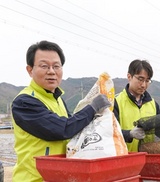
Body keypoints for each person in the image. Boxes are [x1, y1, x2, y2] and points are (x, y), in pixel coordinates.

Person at [11, 40, 111, 182]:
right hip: (35, 178)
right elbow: (62, 128)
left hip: (58, 177)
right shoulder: (24, 102)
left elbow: (74, 128)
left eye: (56, 66)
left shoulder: (57, 99)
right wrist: (92, 107)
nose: (51, 71)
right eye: (44, 66)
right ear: (30, 70)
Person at [113, 59, 160, 152]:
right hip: (124, 159)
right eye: (140, 79)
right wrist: (129, 134)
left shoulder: (154, 105)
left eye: (147, 81)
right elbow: (110, 133)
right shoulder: (116, 102)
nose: (143, 85)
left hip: (149, 160)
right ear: (129, 76)